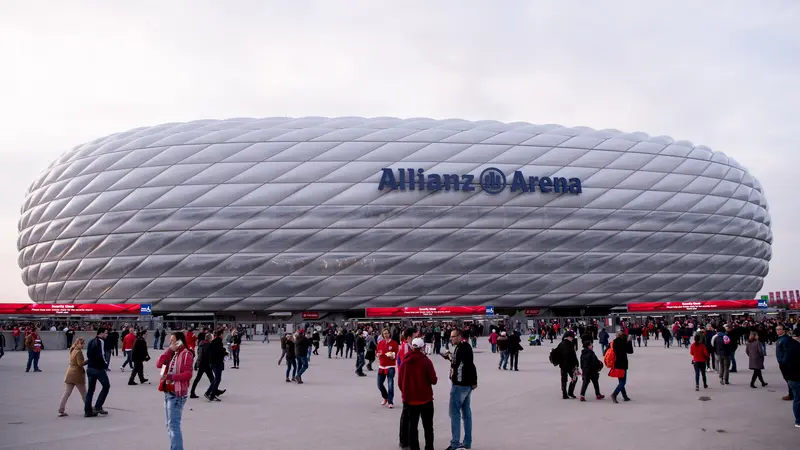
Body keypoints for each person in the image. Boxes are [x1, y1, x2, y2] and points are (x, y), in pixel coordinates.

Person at [156, 331, 194, 450]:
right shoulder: (172, 354)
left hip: (177, 394)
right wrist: (168, 350)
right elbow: (159, 364)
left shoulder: (186, 354)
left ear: (179, 341)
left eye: (173, 341)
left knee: (174, 426)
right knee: (169, 425)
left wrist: (171, 377)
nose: (171, 343)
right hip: (168, 392)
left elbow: (188, 374)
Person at [398, 337, 437, 450]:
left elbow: (400, 382)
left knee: (412, 427)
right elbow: (433, 380)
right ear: (423, 347)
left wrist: (406, 392)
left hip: (410, 400)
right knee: (428, 427)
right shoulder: (426, 361)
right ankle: (429, 447)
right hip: (426, 399)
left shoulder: (405, 362)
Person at [443, 328, 476, 450]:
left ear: (459, 336)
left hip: (460, 385)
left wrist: (456, 380)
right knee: (466, 413)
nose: (451, 339)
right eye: (451, 336)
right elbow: (467, 364)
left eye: (453, 336)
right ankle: (467, 442)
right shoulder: (463, 347)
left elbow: (461, 366)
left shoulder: (462, 348)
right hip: (467, 385)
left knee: (455, 413)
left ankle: (455, 443)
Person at [84, 328, 111, 417]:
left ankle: (88, 410)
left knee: (91, 390)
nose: (107, 335)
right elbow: (102, 355)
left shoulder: (91, 341)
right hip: (98, 368)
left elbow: (88, 354)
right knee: (106, 386)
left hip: (90, 368)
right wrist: (105, 364)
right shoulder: (101, 342)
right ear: (101, 333)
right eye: (106, 333)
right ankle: (98, 406)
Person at [58, 338, 87, 417]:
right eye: (82, 344)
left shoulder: (72, 350)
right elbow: (80, 364)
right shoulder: (79, 352)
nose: (83, 345)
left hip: (70, 373)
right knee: (84, 394)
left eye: (83, 343)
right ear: (77, 343)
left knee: (66, 393)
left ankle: (61, 409)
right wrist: (89, 360)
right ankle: (88, 408)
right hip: (77, 374)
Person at [377, 328, 399, 408]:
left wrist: (392, 356)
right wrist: (378, 355)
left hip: (390, 366)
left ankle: (390, 401)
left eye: (387, 333)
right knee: (379, 384)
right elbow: (378, 352)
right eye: (384, 334)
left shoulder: (394, 343)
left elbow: (396, 355)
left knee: (390, 384)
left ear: (389, 334)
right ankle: (385, 397)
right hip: (382, 366)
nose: (385, 335)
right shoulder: (380, 343)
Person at [609, 331, 634, 403]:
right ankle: (614, 394)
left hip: (616, 363)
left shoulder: (614, 342)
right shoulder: (623, 342)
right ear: (622, 336)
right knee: (623, 382)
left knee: (621, 381)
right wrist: (629, 342)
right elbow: (630, 351)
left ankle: (625, 396)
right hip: (622, 364)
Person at [556, 332, 579, 399]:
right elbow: (573, 356)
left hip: (562, 366)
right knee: (574, 378)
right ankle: (570, 392)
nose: (572, 339)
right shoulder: (570, 345)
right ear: (569, 337)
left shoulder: (560, 344)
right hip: (570, 366)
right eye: (572, 337)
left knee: (564, 380)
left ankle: (564, 394)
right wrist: (576, 365)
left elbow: (557, 354)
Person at [205, 329, 226, 401]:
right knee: (217, 379)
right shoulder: (218, 342)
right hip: (216, 362)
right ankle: (212, 395)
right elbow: (218, 352)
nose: (224, 335)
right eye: (223, 334)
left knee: (215, 379)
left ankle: (208, 392)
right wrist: (224, 352)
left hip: (212, 362)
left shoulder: (213, 341)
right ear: (220, 335)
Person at [776, 324, 795, 401]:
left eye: (779, 329)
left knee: (789, 379)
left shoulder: (785, 339)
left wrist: (783, 362)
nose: (777, 331)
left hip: (785, 363)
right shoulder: (780, 338)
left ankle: (792, 394)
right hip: (782, 363)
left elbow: (787, 352)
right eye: (776, 329)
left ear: (784, 330)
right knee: (787, 379)